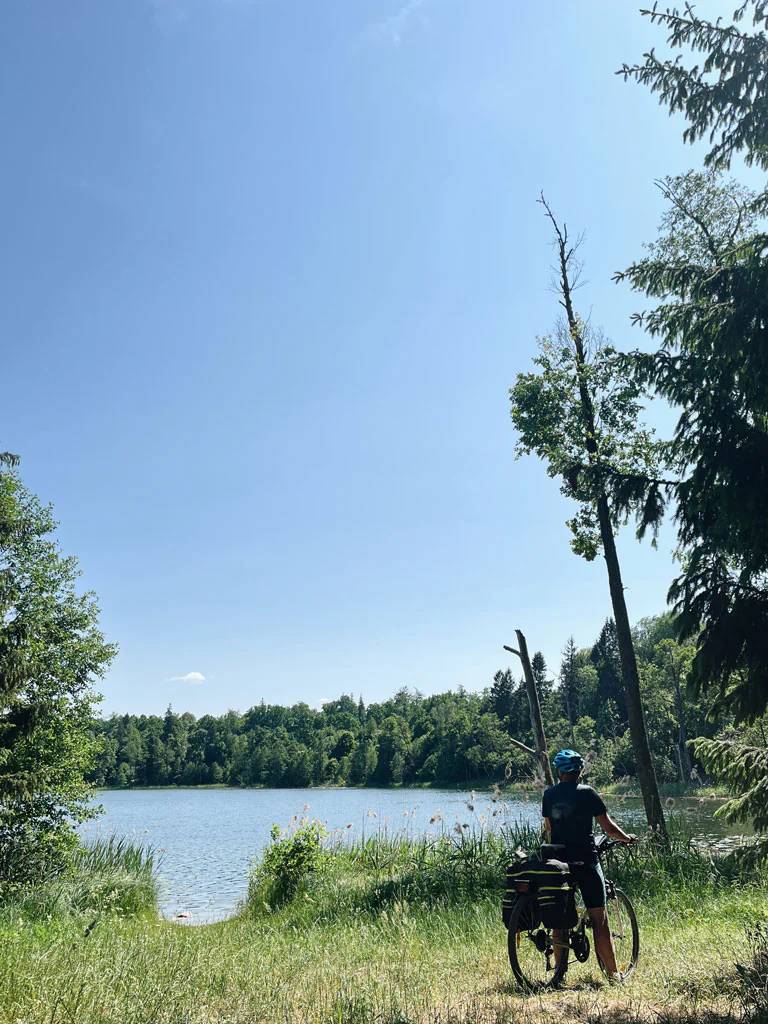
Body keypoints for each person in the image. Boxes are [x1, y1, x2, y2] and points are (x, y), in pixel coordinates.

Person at [542, 748, 636, 982]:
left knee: (560, 918)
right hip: (585, 860)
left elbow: (549, 828)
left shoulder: (549, 794)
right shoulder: (588, 793)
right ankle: (614, 976)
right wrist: (627, 838)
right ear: (580, 771)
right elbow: (608, 828)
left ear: (558, 772)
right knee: (599, 919)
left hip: (559, 862)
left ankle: (559, 973)